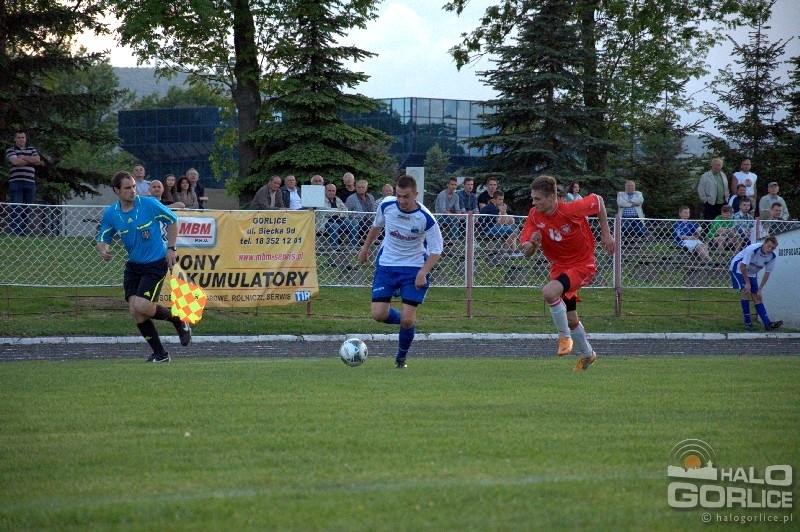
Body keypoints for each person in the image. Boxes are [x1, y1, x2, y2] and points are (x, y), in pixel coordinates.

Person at [519, 175, 614, 371]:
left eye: (538, 199)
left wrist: (606, 233)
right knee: (571, 318)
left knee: (549, 292)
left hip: (582, 265)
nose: (533, 203)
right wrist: (533, 245)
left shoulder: (570, 210)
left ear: (551, 198)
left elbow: (598, 201)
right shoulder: (535, 215)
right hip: (559, 269)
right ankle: (588, 355)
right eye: (532, 198)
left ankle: (564, 338)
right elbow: (526, 251)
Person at [96, 171, 192, 362]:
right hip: (134, 266)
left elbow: (172, 221)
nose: (132, 191)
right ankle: (160, 354)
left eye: (133, 186)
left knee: (143, 306)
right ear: (116, 190)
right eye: (127, 188)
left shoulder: (149, 204)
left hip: (155, 262)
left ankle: (179, 320)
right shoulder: (112, 213)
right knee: (136, 311)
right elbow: (102, 237)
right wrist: (103, 249)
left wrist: (171, 248)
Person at [356, 175, 443, 369]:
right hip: (387, 265)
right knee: (378, 314)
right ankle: (407, 323)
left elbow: (437, 250)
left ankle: (401, 356)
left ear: (416, 194)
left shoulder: (426, 218)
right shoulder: (387, 205)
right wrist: (365, 248)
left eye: (406, 196)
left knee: (407, 319)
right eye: (399, 195)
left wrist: (423, 272)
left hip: (413, 268)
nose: (402, 201)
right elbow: (376, 226)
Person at [729, 236, 782, 331]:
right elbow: (743, 266)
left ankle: (768, 324)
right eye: (768, 246)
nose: (770, 249)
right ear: (764, 244)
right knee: (746, 292)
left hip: (751, 273)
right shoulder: (753, 249)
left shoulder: (772, 256)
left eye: (773, 248)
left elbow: (767, 273)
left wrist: (759, 289)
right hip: (738, 268)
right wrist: (747, 283)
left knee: (757, 297)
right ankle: (748, 323)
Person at [5, 129, 41, 235]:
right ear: (15, 139)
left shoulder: (31, 149)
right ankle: (16, 232)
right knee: (16, 207)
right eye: (19, 137)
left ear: (25, 139)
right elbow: (15, 161)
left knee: (26, 208)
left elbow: (37, 160)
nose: (21, 139)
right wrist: (29, 160)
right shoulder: (11, 150)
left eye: (23, 137)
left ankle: (23, 233)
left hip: (30, 182)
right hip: (16, 182)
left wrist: (23, 157)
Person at [345, 179, 377, 244]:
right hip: (358, 222)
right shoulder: (351, 198)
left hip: (370, 220)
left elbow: (374, 210)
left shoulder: (371, 197)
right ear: (356, 188)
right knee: (368, 227)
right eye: (359, 187)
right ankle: (369, 242)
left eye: (363, 187)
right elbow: (346, 213)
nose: (361, 189)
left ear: (366, 188)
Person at [434, 176, 462, 241]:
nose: (454, 186)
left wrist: (459, 215)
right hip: (440, 216)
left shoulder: (456, 196)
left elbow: (457, 209)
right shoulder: (442, 194)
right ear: (448, 185)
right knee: (455, 219)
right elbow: (443, 210)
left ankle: (467, 239)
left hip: (449, 216)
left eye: (455, 185)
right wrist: (455, 216)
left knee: (464, 218)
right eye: (452, 184)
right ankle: (454, 240)